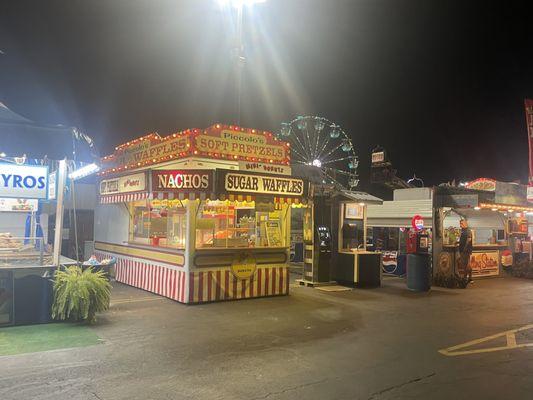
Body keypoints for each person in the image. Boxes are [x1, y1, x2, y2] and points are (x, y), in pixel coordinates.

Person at [459, 218, 473, 284]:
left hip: (466, 251)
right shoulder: (463, 230)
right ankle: (470, 278)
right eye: (460, 224)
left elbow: (468, 241)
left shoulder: (468, 231)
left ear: (465, 223)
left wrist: (464, 249)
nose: (460, 225)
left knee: (465, 265)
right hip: (464, 250)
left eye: (461, 224)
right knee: (467, 265)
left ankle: (465, 278)